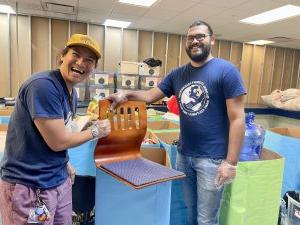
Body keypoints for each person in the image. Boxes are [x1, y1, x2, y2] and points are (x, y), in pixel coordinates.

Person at [108, 20, 246, 225]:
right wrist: (125, 94)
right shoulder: (178, 74)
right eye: (191, 38)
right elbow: (149, 96)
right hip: (184, 155)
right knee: (190, 212)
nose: (195, 41)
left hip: (213, 159)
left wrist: (231, 163)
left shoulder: (226, 71)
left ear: (212, 40)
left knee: (206, 219)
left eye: (200, 36)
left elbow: (238, 119)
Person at [0, 34, 111, 225]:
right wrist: (95, 132)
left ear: (93, 69)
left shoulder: (71, 92)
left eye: (89, 60)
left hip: (57, 180)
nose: (81, 62)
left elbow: (62, 132)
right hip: (30, 186)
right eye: (75, 54)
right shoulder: (43, 86)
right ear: (62, 57)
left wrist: (65, 163)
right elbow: (58, 141)